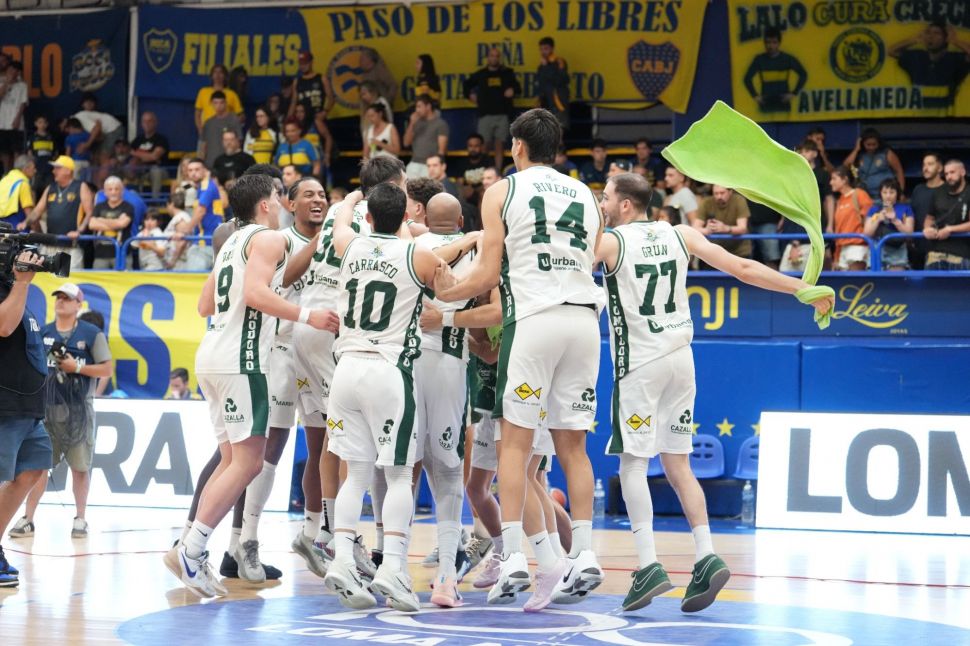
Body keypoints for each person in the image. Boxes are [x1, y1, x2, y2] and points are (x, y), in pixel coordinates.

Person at [595, 172, 831, 613]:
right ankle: (706, 555)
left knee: (633, 464)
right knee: (678, 463)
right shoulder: (681, 233)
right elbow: (743, 268)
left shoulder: (609, 243)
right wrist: (801, 287)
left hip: (640, 364)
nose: (602, 204)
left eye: (605, 198)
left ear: (625, 204)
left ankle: (648, 565)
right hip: (681, 360)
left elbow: (565, 264)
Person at [435, 108, 605, 611]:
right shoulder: (587, 195)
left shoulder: (502, 191)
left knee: (514, 443)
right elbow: (588, 257)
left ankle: (511, 555)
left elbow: (487, 273)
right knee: (574, 447)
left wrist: (447, 293)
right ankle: (584, 553)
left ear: (517, 146)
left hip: (534, 319)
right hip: (584, 321)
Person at [164, 174, 338, 598]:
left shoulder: (230, 243)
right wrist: (308, 315)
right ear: (265, 203)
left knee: (230, 460)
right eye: (278, 196)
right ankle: (191, 550)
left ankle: (189, 548)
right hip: (242, 361)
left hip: (212, 355)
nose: (280, 203)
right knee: (249, 463)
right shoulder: (268, 238)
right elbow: (258, 294)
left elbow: (205, 305)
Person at [321, 182, 445, 612]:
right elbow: (448, 290)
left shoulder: (348, 245)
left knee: (355, 474)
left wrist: (352, 199)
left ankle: (342, 558)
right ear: (406, 219)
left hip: (345, 369)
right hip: (388, 370)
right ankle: (392, 565)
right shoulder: (418, 254)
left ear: (369, 218)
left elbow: (340, 221)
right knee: (397, 474)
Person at [293, 156, 413, 586]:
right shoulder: (383, 222)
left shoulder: (340, 213)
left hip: (307, 324)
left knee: (329, 434)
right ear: (394, 186)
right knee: (348, 445)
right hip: (336, 326)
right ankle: (333, 534)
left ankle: (324, 527)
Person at [411, 192, 481, 607]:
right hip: (451, 366)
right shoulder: (477, 249)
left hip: (405, 364)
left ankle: (390, 566)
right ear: (459, 221)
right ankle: (446, 578)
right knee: (449, 469)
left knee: (400, 468)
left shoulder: (408, 244)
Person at [9, 283, 112, 540]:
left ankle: (80, 518)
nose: (61, 302)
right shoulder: (43, 331)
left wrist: (76, 367)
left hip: (79, 410)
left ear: (79, 305)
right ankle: (28, 518)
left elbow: (106, 369)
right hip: (47, 408)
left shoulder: (92, 334)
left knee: (80, 466)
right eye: (58, 297)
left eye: (67, 298)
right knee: (39, 465)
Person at [0, 250, 52, 587]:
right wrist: (21, 283)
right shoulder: (14, 287)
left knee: (34, 468)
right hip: (4, 405)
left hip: (27, 407)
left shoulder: (13, 287)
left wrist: (19, 283)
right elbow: (4, 326)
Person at [20, 156, 92, 269]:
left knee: (70, 278)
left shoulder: (81, 186)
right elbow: (37, 211)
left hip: (71, 245)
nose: (53, 171)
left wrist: (79, 231)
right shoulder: (51, 187)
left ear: (68, 171)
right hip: (50, 244)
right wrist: (25, 222)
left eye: (58, 168)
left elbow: (90, 213)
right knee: (47, 277)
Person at [889, 20, 970, 109]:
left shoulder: (954, 59)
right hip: (918, 113)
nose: (931, 36)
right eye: (928, 33)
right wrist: (914, 40)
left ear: (946, 38)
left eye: (936, 33)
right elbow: (892, 51)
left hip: (945, 113)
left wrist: (955, 41)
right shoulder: (916, 57)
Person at [463, 48, 521, 170]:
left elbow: (518, 88)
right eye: (492, 55)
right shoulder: (481, 74)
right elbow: (466, 85)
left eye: (496, 56)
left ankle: (497, 171)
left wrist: (513, 90)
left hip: (502, 113)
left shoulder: (506, 73)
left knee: (499, 145)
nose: (494, 58)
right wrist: (470, 95)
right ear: (487, 58)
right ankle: (484, 170)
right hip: (485, 114)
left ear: (499, 58)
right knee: (483, 145)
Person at [780, 139, 833, 272]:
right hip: (795, 220)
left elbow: (829, 199)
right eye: (801, 151)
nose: (803, 154)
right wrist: (782, 219)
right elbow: (788, 199)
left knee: (823, 260)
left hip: (817, 217)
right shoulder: (794, 174)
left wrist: (830, 223)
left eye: (807, 151)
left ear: (815, 153)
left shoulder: (822, 174)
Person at [743, 27, 807, 113]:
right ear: (764, 43)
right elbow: (747, 78)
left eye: (774, 42)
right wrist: (755, 95)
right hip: (766, 103)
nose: (771, 46)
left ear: (779, 43)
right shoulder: (759, 60)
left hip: (783, 102)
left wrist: (794, 93)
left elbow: (803, 74)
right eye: (768, 42)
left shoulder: (787, 59)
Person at [923, 159, 970, 270]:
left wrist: (950, 229)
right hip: (935, 253)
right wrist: (927, 228)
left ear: (963, 172)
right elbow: (929, 218)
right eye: (946, 174)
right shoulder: (938, 192)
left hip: (962, 254)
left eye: (952, 172)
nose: (949, 177)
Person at [863, 178, 914, 271]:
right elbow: (867, 233)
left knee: (896, 278)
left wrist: (895, 220)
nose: (888, 196)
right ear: (880, 194)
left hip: (898, 251)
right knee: (875, 278)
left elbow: (909, 233)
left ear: (897, 193)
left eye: (892, 192)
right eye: (885, 192)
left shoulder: (905, 208)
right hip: (878, 248)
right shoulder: (874, 209)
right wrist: (878, 219)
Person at [842, 128, 905, 199]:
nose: (871, 147)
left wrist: (901, 192)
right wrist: (856, 149)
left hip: (885, 196)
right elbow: (845, 166)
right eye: (868, 145)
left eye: (874, 144)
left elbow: (899, 171)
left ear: (879, 143)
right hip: (864, 196)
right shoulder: (859, 155)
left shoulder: (887, 153)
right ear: (862, 143)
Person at [694, 185, 751, 262]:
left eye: (722, 193)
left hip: (739, 250)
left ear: (730, 192)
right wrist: (706, 230)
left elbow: (742, 228)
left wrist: (726, 228)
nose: (719, 196)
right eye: (716, 193)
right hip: (714, 251)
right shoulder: (706, 202)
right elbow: (695, 228)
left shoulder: (739, 200)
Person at [831, 165, 872, 271]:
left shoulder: (860, 195)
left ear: (845, 179)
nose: (831, 182)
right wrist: (836, 256)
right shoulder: (840, 200)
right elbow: (839, 229)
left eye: (834, 179)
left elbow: (870, 220)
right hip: (842, 248)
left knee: (856, 280)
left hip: (857, 246)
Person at [908, 152, 945, 269]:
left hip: (942, 248)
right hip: (919, 247)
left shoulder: (948, 189)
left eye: (930, 164)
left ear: (940, 168)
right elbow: (912, 215)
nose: (925, 168)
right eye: (924, 165)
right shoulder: (918, 189)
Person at [88, 176, 133, 268]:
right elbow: (92, 224)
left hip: (122, 254)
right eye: (110, 189)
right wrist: (116, 223)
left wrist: (100, 220)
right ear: (105, 192)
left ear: (122, 191)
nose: (113, 192)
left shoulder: (128, 207)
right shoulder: (99, 206)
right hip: (101, 254)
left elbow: (122, 224)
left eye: (116, 189)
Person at [288, 51, 334, 139]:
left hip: (317, 118)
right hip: (302, 120)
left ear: (311, 62)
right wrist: (288, 119)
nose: (303, 66)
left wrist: (325, 112)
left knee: (322, 141)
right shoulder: (297, 81)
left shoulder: (321, 78)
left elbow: (331, 98)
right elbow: (293, 102)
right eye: (301, 64)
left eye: (305, 63)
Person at [403, 95, 449, 179]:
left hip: (430, 165)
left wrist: (438, 167)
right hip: (414, 162)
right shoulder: (416, 123)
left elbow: (441, 150)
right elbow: (406, 143)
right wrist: (411, 123)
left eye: (419, 106)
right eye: (416, 107)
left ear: (428, 106)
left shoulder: (440, 124)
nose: (417, 110)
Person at [194, 64, 243, 136]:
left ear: (225, 76)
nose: (217, 75)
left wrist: (231, 127)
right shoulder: (203, 92)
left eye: (220, 72)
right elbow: (197, 114)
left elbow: (241, 116)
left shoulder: (231, 94)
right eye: (215, 72)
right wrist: (200, 129)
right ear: (211, 76)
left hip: (225, 135)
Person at [129, 112, 169, 199]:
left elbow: (154, 157)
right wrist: (147, 156)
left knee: (156, 170)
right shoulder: (138, 139)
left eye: (149, 121)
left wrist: (136, 154)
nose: (147, 124)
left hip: (159, 170)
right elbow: (128, 153)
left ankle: (155, 201)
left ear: (155, 122)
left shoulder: (161, 139)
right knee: (123, 166)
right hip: (141, 169)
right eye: (144, 121)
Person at [200, 91, 243, 168]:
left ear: (226, 103)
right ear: (211, 104)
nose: (218, 106)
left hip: (228, 163)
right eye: (215, 103)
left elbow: (239, 142)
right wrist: (201, 162)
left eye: (221, 102)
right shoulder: (208, 123)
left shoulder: (233, 119)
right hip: (210, 164)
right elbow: (203, 145)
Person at [0, 61, 28, 176]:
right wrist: (6, 83)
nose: (13, 72)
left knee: (17, 150)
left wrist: (17, 118)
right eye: (11, 69)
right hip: (2, 122)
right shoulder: (1, 82)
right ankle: (6, 173)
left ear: (19, 72)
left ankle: (17, 173)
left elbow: (23, 103)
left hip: (16, 123)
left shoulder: (22, 86)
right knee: (4, 151)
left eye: (16, 70)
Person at [536, 37, 569, 129]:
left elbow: (562, 80)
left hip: (557, 102)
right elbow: (540, 83)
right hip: (545, 102)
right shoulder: (541, 66)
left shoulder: (559, 62)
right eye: (541, 49)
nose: (543, 52)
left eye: (546, 49)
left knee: (558, 129)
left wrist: (546, 67)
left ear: (552, 48)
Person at [0, 155, 36, 229]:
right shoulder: (23, 184)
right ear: (26, 168)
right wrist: (39, 232)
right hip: (15, 227)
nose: (35, 171)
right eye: (33, 168)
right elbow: (29, 214)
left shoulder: (4, 180)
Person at [27, 115, 55, 195]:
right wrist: (32, 165)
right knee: (34, 188)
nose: (42, 125)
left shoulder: (51, 137)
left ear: (47, 124)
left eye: (44, 123)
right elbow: (29, 153)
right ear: (35, 124)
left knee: (49, 189)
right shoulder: (32, 137)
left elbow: (54, 153)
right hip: (37, 167)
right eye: (40, 122)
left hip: (49, 167)